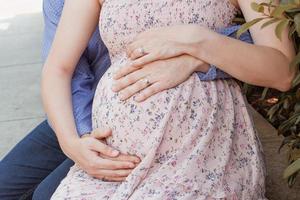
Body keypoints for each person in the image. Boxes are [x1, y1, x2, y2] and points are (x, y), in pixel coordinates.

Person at [43, 0, 295, 199]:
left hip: (198, 159)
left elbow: (282, 70)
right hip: (115, 165)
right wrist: (71, 144)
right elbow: (58, 69)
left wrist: (197, 40)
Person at [0, 0, 244, 199]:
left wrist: (198, 61)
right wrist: (78, 142)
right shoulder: (57, 4)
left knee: (45, 194)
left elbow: (248, 44)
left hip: (170, 131)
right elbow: (67, 73)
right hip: (81, 120)